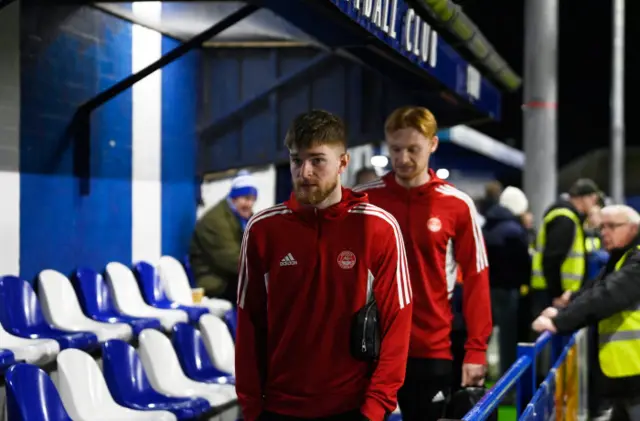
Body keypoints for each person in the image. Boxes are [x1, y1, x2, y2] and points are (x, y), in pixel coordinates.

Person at [235, 110, 413, 421]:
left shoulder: (379, 228)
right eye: (296, 160)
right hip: (278, 409)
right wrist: (251, 409)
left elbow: (397, 323)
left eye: (317, 160)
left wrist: (373, 409)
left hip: (352, 409)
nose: (304, 172)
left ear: (343, 163)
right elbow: (249, 325)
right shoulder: (263, 230)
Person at [354, 106, 491, 421]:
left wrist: (476, 349)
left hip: (429, 350)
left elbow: (476, 277)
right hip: (370, 349)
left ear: (433, 144)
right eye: (395, 149)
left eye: (413, 149)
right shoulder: (362, 202)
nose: (403, 159)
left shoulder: (457, 205)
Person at [532, 205, 640, 421]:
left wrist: (560, 322)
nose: (604, 233)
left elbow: (609, 295)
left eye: (611, 226)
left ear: (634, 228)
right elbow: (598, 287)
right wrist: (566, 305)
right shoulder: (623, 256)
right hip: (625, 372)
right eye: (602, 227)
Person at [530, 178, 603, 318]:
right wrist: (556, 293)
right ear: (584, 198)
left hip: (557, 291)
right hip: (553, 293)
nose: (594, 204)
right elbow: (552, 259)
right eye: (594, 199)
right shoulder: (565, 219)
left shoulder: (569, 217)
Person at [482, 186, 531, 379]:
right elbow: (523, 263)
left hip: (487, 287)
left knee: (485, 333)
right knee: (508, 337)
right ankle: (508, 380)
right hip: (508, 289)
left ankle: (482, 374)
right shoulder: (514, 230)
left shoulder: (488, 225)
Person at [189, 171, 257, 303]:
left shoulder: (242, 217)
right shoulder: (216, 221)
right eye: (246, 198)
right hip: (213, 281)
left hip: (230, 276)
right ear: (234, 198)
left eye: (252, 200)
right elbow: (232, 261)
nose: (249, 204)